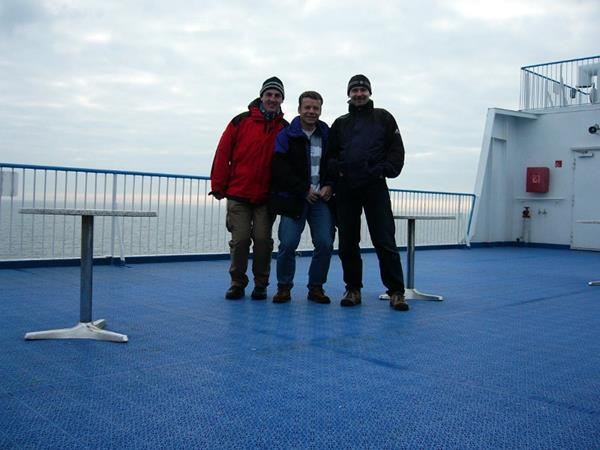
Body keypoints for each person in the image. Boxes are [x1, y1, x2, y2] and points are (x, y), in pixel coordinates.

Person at [325, 74, 409, 311]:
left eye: (363, 90)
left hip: (375, 186)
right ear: (349, 94)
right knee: (347, 242)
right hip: (346, 188)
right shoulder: (340, 123)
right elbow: (330, 155)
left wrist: (383, 170)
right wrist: (338, 170)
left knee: (384, 240)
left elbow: (396, 151)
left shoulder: (384, 118)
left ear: (369, 93)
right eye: (355, 90)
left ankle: (396, 292)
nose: (359, 94)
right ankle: (353, 289)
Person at [210, 77, 287, 300]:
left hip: (266, 196)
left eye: (277, 95)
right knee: (240, 240)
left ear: (282, 99)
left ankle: (261, 284)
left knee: (263, 242)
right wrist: (218, 185)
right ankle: (237, 282)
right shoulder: (240, 121)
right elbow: (223, 152)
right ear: (261, 96)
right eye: (269, 94)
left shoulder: (284, 127)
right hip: (239, 193)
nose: (272, 99)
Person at [269, 91, 335, 304]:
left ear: (320, 110)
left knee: (325, 243)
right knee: (287, 244)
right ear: (299, 109)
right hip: (294, 198)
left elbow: (334, 163)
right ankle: (283, 287)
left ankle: (316, 287)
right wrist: (303, 190)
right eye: (307, 107)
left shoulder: (327, 134)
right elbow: (279, 169)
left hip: (320, 200)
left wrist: (330, 185)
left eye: (315, 108)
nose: (311, 111)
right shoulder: (286, 135)